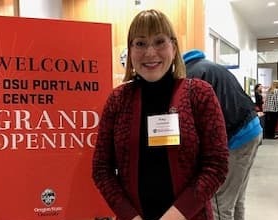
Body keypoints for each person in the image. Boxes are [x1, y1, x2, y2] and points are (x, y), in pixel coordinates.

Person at [92, 9, 229, 220]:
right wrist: (130, 216)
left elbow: (216, 165)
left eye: (159, 42)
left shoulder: (199, 94)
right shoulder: (118, 100)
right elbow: (102, 169)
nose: (150, 52)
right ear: (130, 50)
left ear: (173, 48)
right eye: (140, 43)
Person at [183, 49, 262, 220]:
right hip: (251, 130)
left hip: (236, 137)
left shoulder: (190, 75)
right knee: (236, 198)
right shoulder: (212, 67)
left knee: (219, 203)